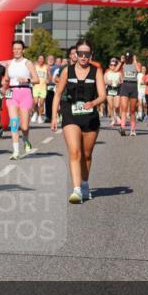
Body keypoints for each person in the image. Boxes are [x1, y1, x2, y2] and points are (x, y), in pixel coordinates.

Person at [51, 40, 105, 203]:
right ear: (75, 54)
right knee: (75, 152)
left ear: (91, 55)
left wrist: (93, 103)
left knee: (87, 155)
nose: (82, 56)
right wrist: (54, 116)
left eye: (86, 54)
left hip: (90, 116)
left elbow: (102, 95)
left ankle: (84, 183)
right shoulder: (67, 71)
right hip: (70, 113)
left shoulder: (96, 71)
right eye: (79, 53)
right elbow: (58, 94)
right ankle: (76, 190)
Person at [3, 40, 40, 160]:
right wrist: (3, 86)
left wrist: (27, 80)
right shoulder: (9, 63)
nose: (16, 51)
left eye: (19, 49)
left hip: (25, 93)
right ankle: (16, 151)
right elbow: (6, 79)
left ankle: (25, 139)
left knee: (24, 127)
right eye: (15, 49)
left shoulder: (27, 63)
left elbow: (36, 80)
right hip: (12, 93)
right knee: (14, 123)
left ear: (23, 50)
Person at [118, 52, 140, 136]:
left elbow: (139, 70)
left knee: (132, 110)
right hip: (125, 86)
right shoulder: (123, 65)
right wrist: (121, 61)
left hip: (133, 86)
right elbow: (116, 69)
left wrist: (135, 61)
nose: (128, 59)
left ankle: (133, 130)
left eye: (129, 58)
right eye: (126, 58)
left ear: (131, 57)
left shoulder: (135, 64)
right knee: (124, 108)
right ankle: (122, 127)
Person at [104, 57, 122, 127]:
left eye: (114, 65)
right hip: (109, 89)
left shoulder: (119, 73)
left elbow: (122, 81)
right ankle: (113, 118)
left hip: (117, 89)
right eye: (111, 65)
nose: (113, 66)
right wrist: (107, 82)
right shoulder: (107, 73)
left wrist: (119, 82)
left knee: (117, 105)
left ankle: (117, 115)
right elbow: (104, 81)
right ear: (109, 66)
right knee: (111, 106)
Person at [32, 54, 48, 123]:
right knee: (35, 102)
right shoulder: (35, 67)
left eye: (42, 58)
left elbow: (49, 77)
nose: (41, 60)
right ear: (38, 59)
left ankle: (40, 116)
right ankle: (35, 113)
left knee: (41, 103)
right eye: (39, 58)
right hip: (36, 86)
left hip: (43, 87)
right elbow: (31, 75)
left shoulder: (46, 67)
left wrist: (48, 79)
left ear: (43, 60)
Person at [45, 54, 60, 123]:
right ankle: (48, 117)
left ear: (54, 60)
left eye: (52, 59)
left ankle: (56, 116)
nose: (50, 60)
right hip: (45, 87)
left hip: (54, 86)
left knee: (55, 102)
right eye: (49, 59)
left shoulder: (57, 67)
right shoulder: (44, 67)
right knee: (48, 102)